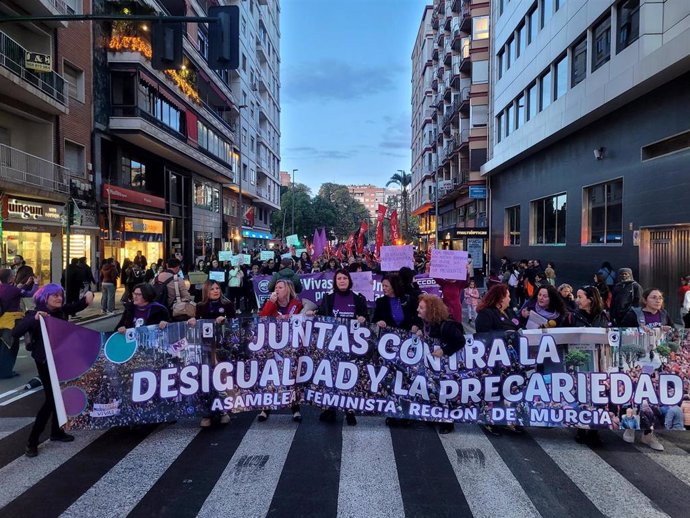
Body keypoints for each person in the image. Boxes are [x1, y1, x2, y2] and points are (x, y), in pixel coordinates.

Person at [12, 284, 94, 457]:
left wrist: (88, 295)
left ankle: (56, 432)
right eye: (54, 295)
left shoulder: (60, 310)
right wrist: (35, 318)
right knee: (51, 399)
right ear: (44, 297)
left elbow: (77, 305)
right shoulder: (35, 314)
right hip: (44, 361)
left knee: (61, 394)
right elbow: (16, 331)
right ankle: (32, 441)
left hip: (61, 359)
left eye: (60, 295)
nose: (59, 298)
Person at [619, 288, 672, 451]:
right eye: (654, 297)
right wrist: (639, 332)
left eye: (660, 298)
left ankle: (648, 434)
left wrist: (667, 332)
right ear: (645, 299)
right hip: (636, 362)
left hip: (655, 362)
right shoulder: (634, 315)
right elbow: (621, 334)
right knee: (635, 394)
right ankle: (630, 427)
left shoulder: (664, 315)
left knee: (652, 398)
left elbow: (672, 337)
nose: (658, 300)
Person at [314, 269, 368, 425]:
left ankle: (349, 410)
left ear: (349, 280)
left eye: (345, 278)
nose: (342, 281)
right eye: (339, 278)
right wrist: (313, 314)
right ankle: (330, 408)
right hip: (333, 344)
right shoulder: (328, 298)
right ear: (335, 281)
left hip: (351, 345)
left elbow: (365, 317)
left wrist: (362, 318)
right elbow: (322, 316)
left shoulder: (358, 298)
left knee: (348, 378)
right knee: (332, 377)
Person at [411, 293, 466, 434]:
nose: (418, 310)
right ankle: (434, 416)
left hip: (445, 367)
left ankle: (447, 422)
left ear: (431, 310)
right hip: (432, 366)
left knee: (445, 394)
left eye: (421, 308)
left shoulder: (446, 326)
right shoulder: (425, 323)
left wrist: (444, 350)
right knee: (432, 391)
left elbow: (460, 341)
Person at [187, 280, 235, 428]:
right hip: (205, 347)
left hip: (222, 348)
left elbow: (235, 324)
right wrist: (193, 321)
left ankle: (223, 411)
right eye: (212, 289)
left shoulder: (227, 305)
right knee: (206, 380)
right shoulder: (201, 306)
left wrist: (225, 321)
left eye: (218, 288)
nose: (216, 291)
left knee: (221, 379)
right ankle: (207, 412)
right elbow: (197, 325)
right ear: (206, 291)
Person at [257, 279, 304, 423]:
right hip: (273, 345)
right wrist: (271, 303)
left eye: (280, 287)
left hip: (291, 346)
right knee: (271, 376)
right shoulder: (271, 303)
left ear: (288, 289)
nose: (277, 290)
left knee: (290, 377)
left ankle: (295, 408)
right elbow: (263, 317)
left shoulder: (296, 304)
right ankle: (266, 408)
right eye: (276, 287)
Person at [570, 286, 610, 446]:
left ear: (590, 299)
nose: (577, 300)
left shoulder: (603, 316)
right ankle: (581, 428)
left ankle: (594, 430)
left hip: (599, 361)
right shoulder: (573, 316)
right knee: (582, 395)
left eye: (580, 297)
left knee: (598, 396)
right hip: (580, 361)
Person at [0, 269, 36, 378]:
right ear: (10, 278)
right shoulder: (12, 289)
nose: (15, 276)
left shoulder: (4, 288)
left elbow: (18, 291)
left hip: (2, 320)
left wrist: (26, 284)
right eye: (14, 275)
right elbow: (30, 293)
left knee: (3, 346)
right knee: (11, 347)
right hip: (11, 322)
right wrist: (36, 283)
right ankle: (6, 372)